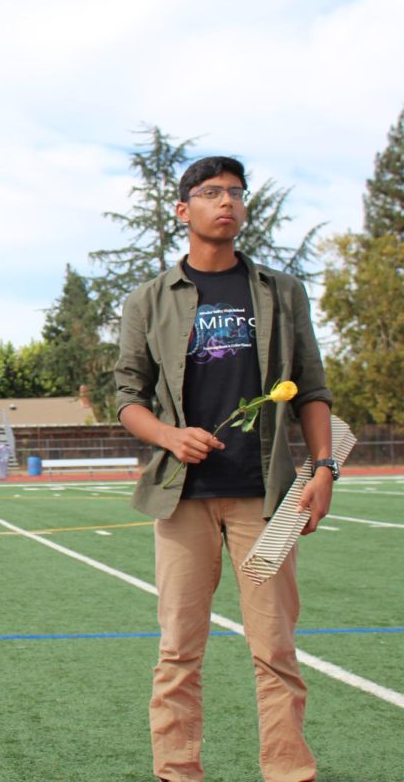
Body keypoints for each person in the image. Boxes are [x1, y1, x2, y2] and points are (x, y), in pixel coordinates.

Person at [114, 156, 336, 782]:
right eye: (212, 193)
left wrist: (323, 470)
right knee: (179, 651)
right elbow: (128, 396)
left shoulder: (282, 293)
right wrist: (167, 435)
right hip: (182, 501)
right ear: (183, 210)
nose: (228, 202)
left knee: (275, 651)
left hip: (265, 500)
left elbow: (313, 390)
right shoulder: (148, 300)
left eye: (237, 193)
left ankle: (289, 772)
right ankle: (177, 772)